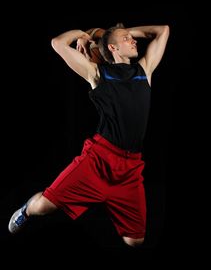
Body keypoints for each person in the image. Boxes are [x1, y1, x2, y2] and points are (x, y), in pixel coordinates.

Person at [8, 22, 170, 248]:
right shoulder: (97, 74)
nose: (134, 41)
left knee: (135, 241)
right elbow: (58, 43)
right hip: (99, 161)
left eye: (131, 38)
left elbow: (163, 30)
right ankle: (26, 209)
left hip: (130, 169)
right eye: (127, 39)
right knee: (43, 207)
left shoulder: (145, 70)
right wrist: (84, 35)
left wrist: (114, 35)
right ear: (113, 48)